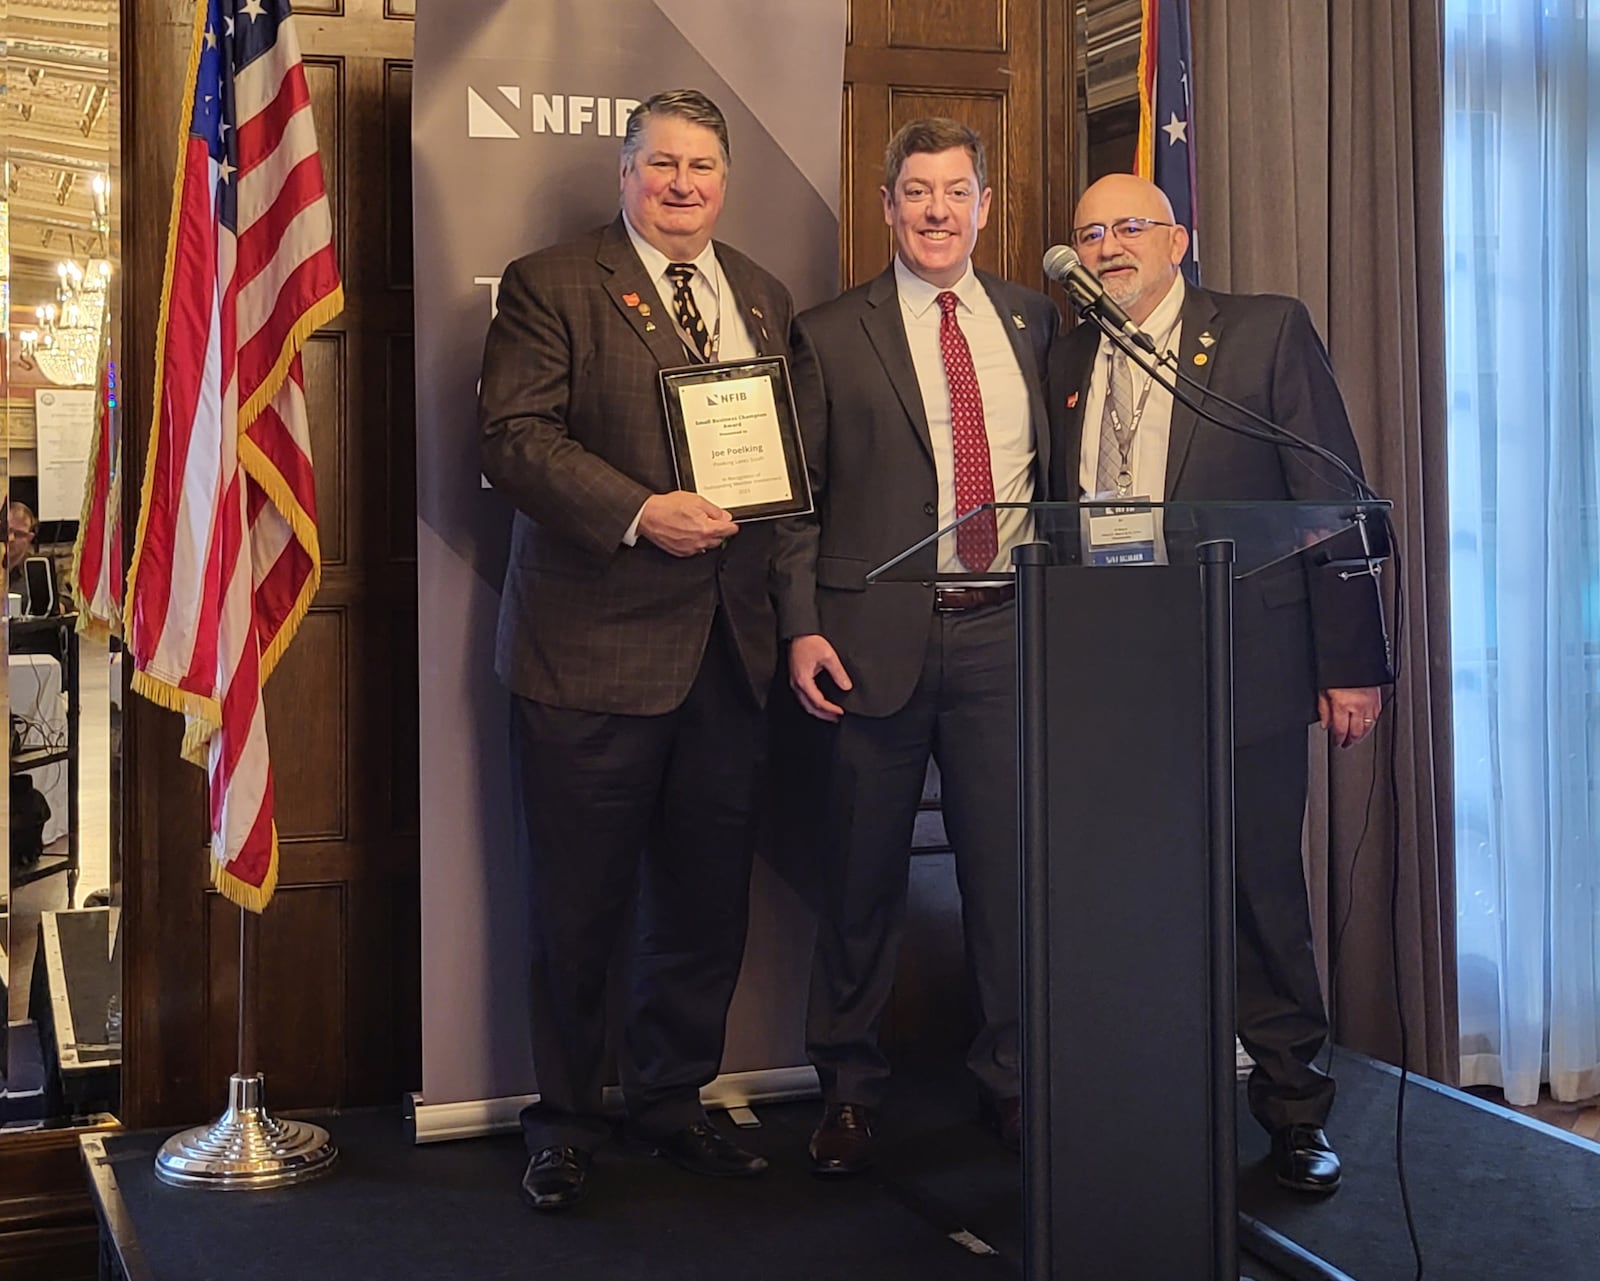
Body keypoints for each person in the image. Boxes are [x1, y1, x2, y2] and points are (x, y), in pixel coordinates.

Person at [478, 89, 795, 1212]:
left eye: (702, 166)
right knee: (578, 908)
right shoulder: (550, 282)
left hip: (729, 653)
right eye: (661, 164)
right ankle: (563, 1123)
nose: (682, 185)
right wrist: (636, 510)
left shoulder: (759, 293)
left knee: (704, 908)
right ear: (625, 174)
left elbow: (784, 480)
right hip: (589, 655)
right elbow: (514, 440)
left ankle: (671, 1103)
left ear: (724, 179)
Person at [1047, 172, 1391, 1194]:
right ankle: (1151, 1103)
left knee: (1257, 894)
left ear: (1178, 238)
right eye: (1088, 232)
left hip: (1249, 666)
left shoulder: (1261, 331)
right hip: (1113, 678)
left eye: (1128, 228)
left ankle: (1292, 1112)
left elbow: (1329, 493)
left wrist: (1349, 664)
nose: (1108, 246)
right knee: (1133, 899)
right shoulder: (1065, 354)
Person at [773, 118, 1059, 1176]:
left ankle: (1018, 1084)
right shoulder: (829, 331)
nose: (937, 211)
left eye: (956, 192)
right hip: (866, 644)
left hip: (1007, 640)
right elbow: (794, 502)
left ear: (986, 207)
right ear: (888, 208)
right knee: (857, 887)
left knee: (1011, 883)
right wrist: (800, 624)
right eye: (916, 193)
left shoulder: (1038, 324)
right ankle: (847, 1092)